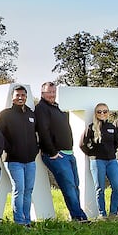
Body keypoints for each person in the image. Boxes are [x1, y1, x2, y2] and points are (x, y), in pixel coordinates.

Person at [34, 82, 88, 221]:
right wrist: (53, 152)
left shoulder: (56, 107)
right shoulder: (41, 108)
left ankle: (78, 215)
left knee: (75, 185)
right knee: (69, 187)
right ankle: (79, 218)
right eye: (48, 92)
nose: (52, 94)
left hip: (69, 154)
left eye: (53, 92)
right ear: (42, 93)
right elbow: (43, 132)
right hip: (57, 155)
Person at [0, 85, 39, 225]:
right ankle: (19, 222)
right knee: (19, 189)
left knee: (28, 190)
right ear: (12, 97)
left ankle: (27, 221)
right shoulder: (5, 115)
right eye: (17, 95)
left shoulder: (31, 114)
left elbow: (37, 134)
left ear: (26, 97)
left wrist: (35, 149)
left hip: (30, 161)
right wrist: (11, 150)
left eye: (23, 95)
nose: (20, 97)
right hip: (13, 160)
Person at [79, 103, 118, 217]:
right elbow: (82, 144)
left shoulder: (111, 127)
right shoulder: (91, 127)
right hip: (98, 162)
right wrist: (92, 154)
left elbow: (116, 142)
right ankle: (102, 214)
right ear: (95, 113)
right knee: (100, 189)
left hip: (112, 161)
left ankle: (113, 214)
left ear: (108, 113)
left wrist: (112, 152)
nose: (102, 113)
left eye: (105, 111)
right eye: (99, 111)